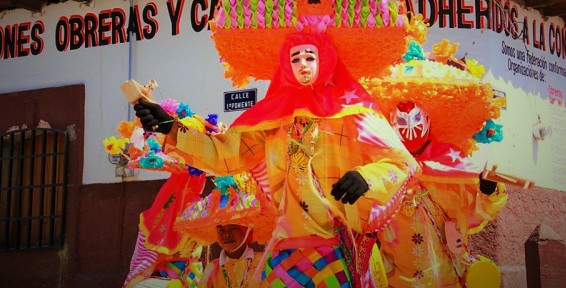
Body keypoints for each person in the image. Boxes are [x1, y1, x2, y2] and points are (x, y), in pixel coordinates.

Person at [135, 32, 418, 287]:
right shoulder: (272, 119)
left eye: (310, 56)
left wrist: (367, 178)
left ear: (327, 59)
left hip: (341, 246)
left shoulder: (355, 111)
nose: (303, 64)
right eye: (295, 58)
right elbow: (226, 155)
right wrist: (170, 129)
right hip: (287, 249)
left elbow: (400, 162)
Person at [362, 46, 508, 288]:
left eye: (416, 122)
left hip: (447, 278)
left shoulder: (452, 168)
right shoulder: (381, 168)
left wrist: (488, 189)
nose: (410, 130)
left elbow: (478, 210)